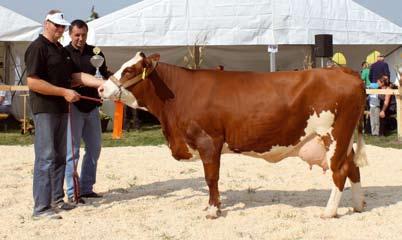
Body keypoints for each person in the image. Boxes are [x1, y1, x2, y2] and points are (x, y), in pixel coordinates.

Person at [25, 10, 104, 220]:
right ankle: (41, 208)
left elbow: (75, 76)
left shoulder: (59, 49)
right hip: (45, 109)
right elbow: (32, 82)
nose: (59, 29)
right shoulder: (37, 47)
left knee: (60, 157)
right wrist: (64, 92)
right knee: (46, 158)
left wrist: (104, 84)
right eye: (56, 25)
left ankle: (57, 200)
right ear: (46, 24)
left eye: (62, 26)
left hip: (61, 109)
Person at [64, 19, 111, 203]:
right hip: (73, 108)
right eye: (77, 35)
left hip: (92, 107)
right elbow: (67, 80)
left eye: (83, 35)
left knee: (94, 149)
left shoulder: (96, 53)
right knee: (72, 152)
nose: (80, 38)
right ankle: (72, 191)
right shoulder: (64, 53)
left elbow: (104, 75)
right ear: (70, 34)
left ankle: (86, 188)